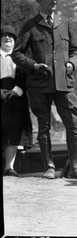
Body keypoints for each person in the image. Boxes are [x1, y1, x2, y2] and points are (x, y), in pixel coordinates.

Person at [11, 0, 77, 180]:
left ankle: (76, 167)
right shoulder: (30, 26)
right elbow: (16, 53)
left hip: (65, 83)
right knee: (44, 127)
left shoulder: (66, 23)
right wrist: (32, 65)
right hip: (39, 84)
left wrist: (72, 63)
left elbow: (76, 50)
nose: (54, 0)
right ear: (38, 0)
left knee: (72, 126)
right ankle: (50, 167)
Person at [1, 25, 33, 177]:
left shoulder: (20, 58)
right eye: (4, 35)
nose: (7, 38)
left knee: (14, 133)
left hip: (17, 97)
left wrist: (16, 91)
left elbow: (27, 77)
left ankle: (9, 167)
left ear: (15, 40)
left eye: (11, 36)